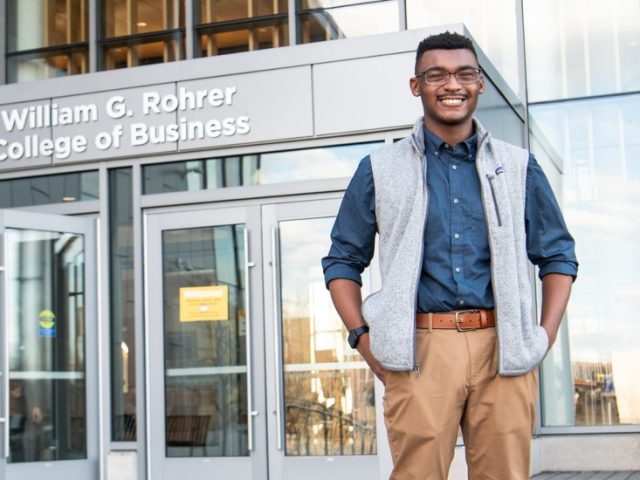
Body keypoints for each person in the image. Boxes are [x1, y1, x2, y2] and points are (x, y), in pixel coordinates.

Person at [321, 31, 578, 479]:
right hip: (421, 348)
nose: (452, 85)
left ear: (479, 83)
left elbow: (557, 256)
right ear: (416, 86)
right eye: (436, 74)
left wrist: (542, 338)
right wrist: (363, 339)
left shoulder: (519, 167)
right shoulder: (380, 169)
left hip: (504, 348)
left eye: (464, 74)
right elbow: (342, 261)